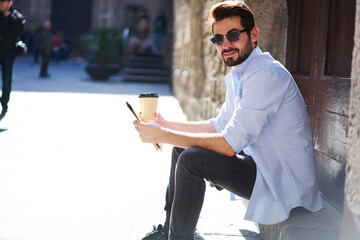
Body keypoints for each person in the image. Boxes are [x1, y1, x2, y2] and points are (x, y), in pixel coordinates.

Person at [134, 2, 323, 240]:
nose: (225, 44)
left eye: (233, 35)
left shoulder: (264, 74)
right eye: (218, 39)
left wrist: (161, 136)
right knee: (182, 148)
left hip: (285, 184)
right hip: (265, 168)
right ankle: (169, 229)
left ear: (253, 34)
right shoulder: (243, 72)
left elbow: (228, 144)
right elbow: (220, 125)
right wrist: (166, 125)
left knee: (192, 159)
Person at [0, 0, 25, 121]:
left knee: (7, 79)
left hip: (8, 54)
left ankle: (4, 104)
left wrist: (9, 18)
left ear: (9, 3)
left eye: (2, 2)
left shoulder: (16, 17)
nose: (0, 4)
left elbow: (20, 29)